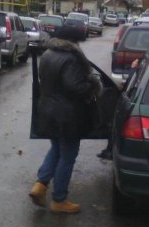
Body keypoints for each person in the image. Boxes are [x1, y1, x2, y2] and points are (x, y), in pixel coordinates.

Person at [28, 25, 102, 214]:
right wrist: (93, 84)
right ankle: (59, 200)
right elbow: (74, 87)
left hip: (48, 111)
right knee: (68, 155)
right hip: (67, 116)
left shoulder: (47, 55)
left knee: (56, 149)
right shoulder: (71, 58)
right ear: (72, 41)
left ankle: (40, 185)